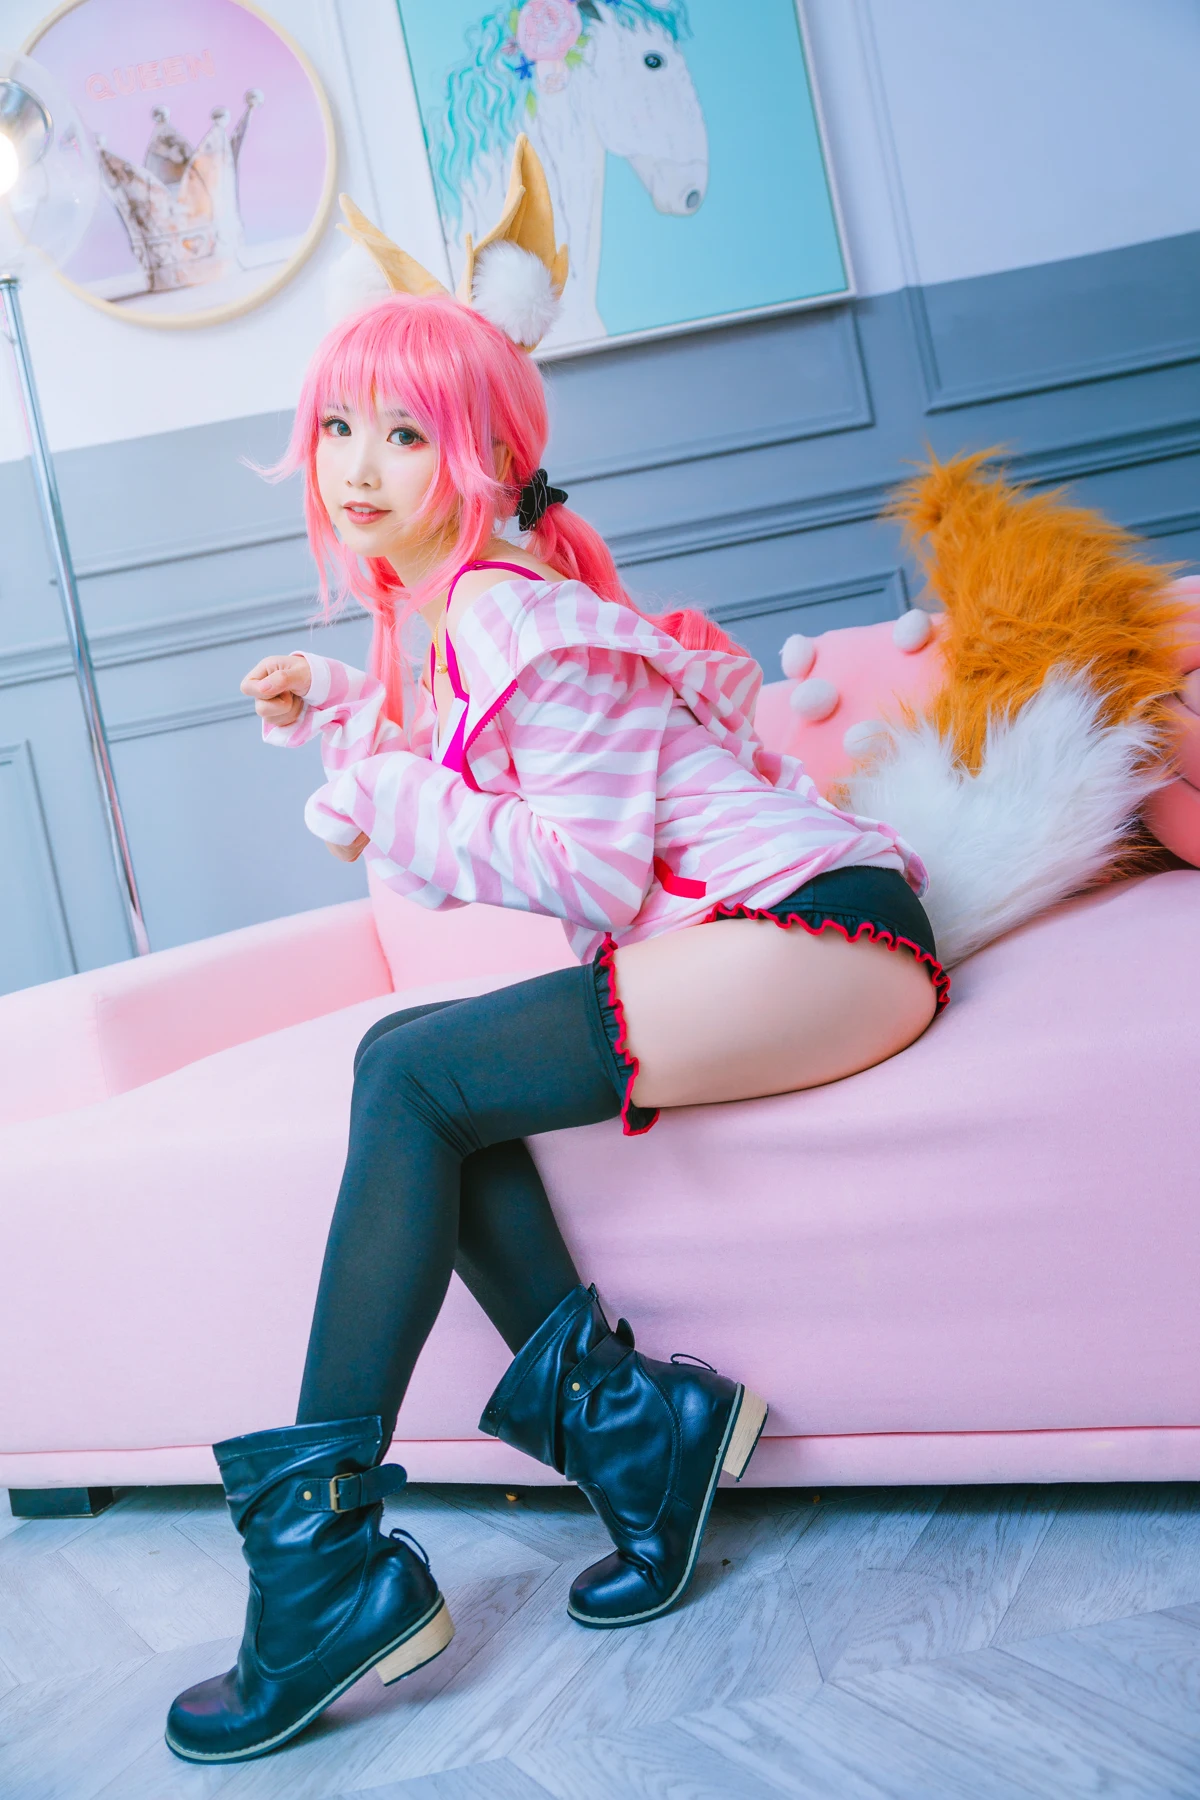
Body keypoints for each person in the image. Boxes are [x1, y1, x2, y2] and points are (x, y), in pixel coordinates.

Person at [165, 142, 946, 1766]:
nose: (358, 467)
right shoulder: (481, 613)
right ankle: (630, 1435)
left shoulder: (511, 616)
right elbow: (499, 781)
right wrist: (349, 716)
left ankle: (327, 1564)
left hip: (823, 934)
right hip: (784, 938)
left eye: (404, 434)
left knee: (412, 1075)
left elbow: (582, 868)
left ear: (481, 459)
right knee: (417, 1072)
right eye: (339, 428)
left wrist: (384, 793)